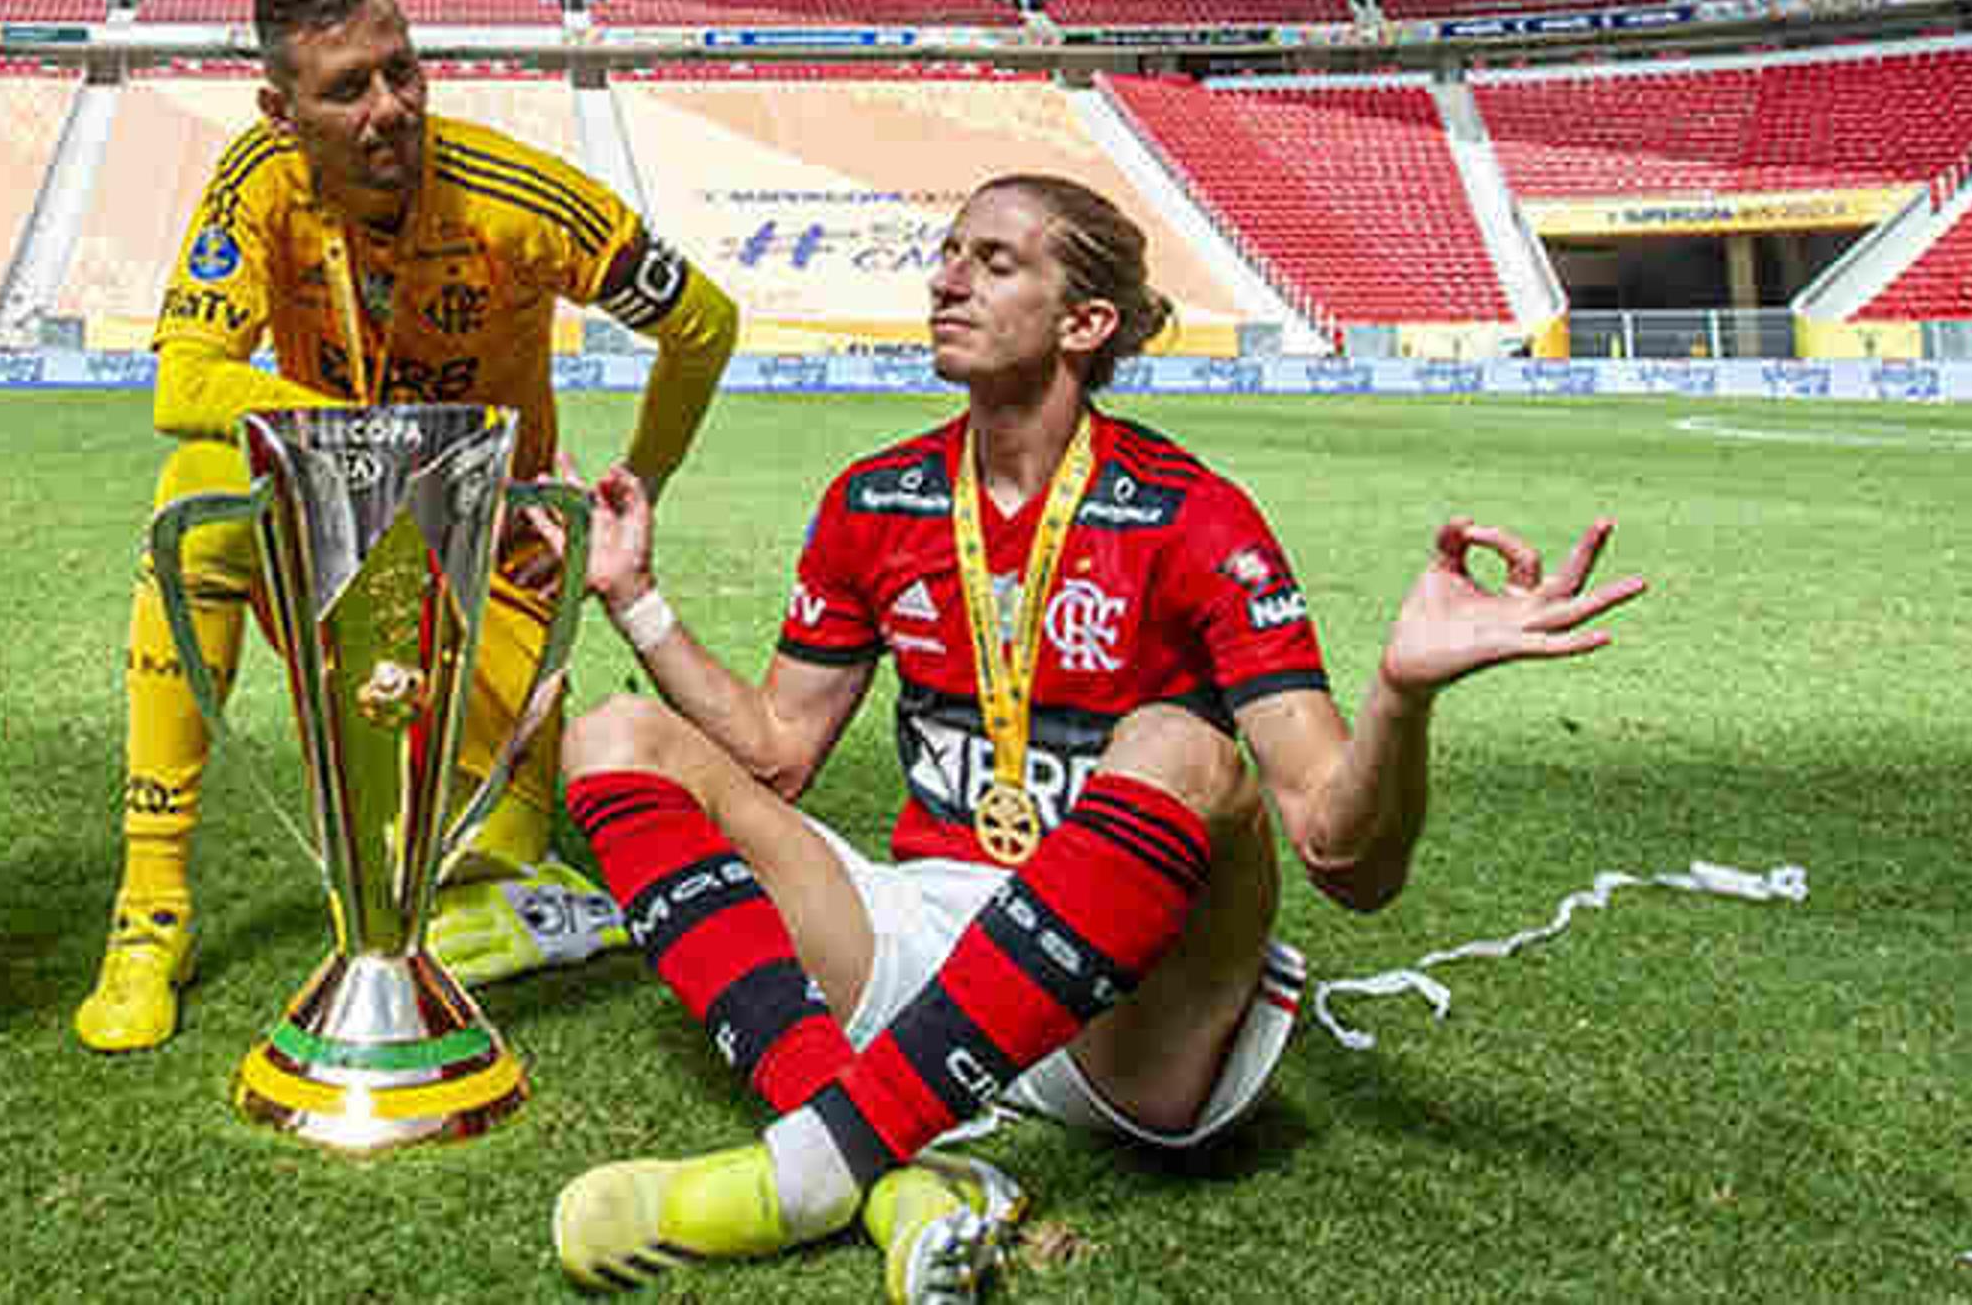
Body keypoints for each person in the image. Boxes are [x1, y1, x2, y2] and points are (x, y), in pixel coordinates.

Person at [545, 174, 1645, 1298]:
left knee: (1178, 748)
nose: (944, 278)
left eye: (992, 261)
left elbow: (1343, 858)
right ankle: (888, 1168)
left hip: (1130, 1015)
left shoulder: (1193, 517)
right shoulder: (875, 501)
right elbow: (776, 751)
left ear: (1085, 324)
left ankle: (812, 1164)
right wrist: (635, 599)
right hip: (926, 945)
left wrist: (1402, 698)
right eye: (946, 253)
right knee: (614, 735)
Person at [74, 0, 741, 1053]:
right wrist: (385, 448)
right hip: (339, 555)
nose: (391, 106)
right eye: (348, 89)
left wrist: (648, 481)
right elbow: (184, 383)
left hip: (489, 584)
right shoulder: (256, 183)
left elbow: (704, 322)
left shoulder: (518, 198)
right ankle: (151, 911)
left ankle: (501, 859)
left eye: (404, 70)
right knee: (194, 492)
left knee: (474, 890)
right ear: (278, 112)